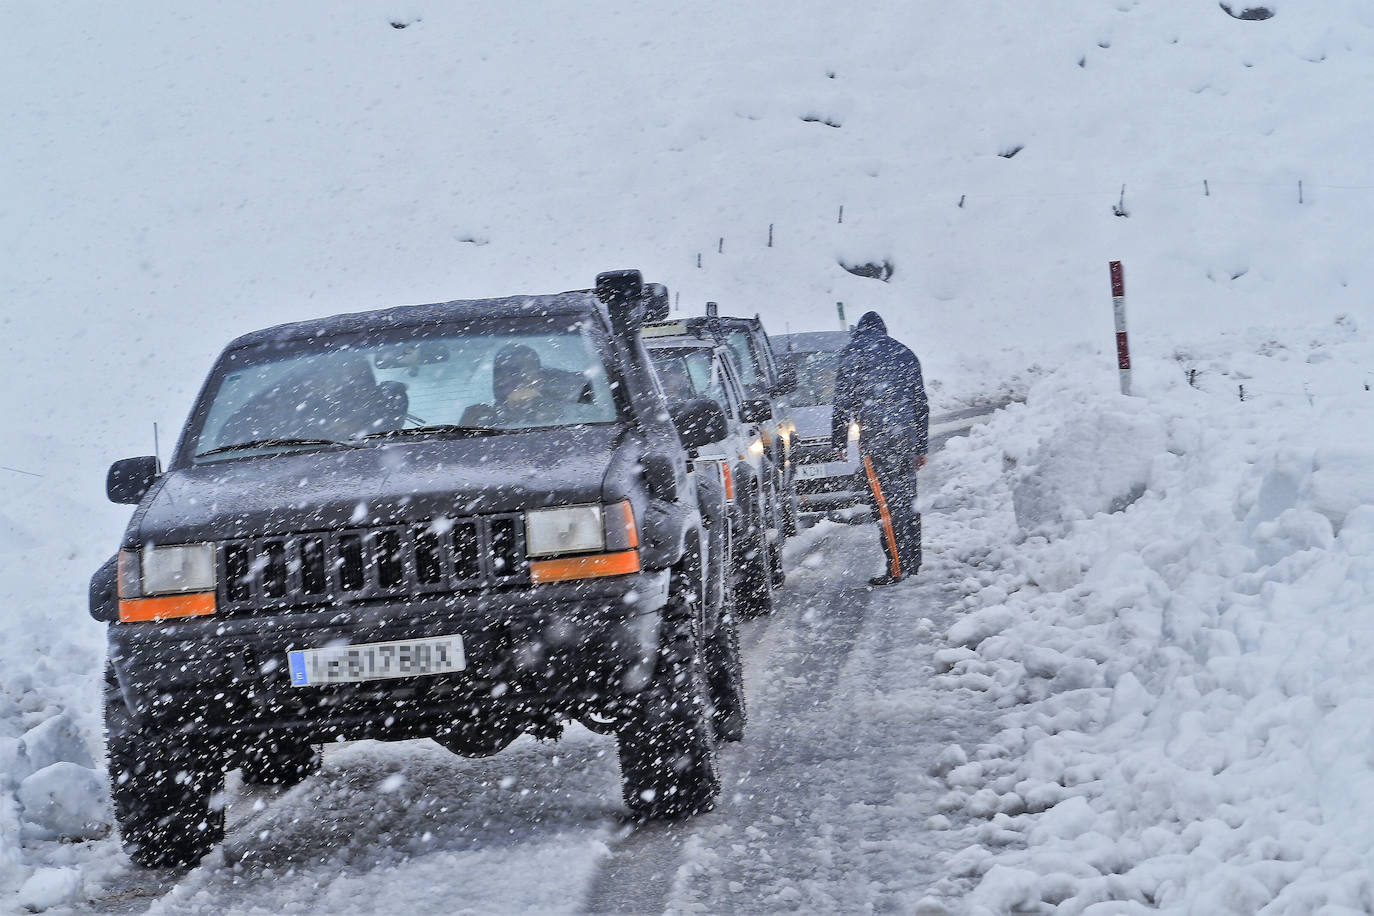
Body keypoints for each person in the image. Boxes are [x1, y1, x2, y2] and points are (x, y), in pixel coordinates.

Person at [830, 311, 929, 586]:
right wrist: (920, 446)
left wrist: (839, 441)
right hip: (905, 437)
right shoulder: (904, 353)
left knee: (885, 505)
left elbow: (842, 402)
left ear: (859, 331)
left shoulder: (853, 353)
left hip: (876, 438)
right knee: (907, 500)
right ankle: (912, 562)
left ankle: (897, 569)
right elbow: (920, 404)